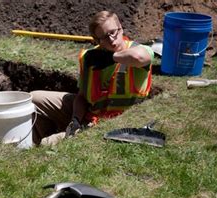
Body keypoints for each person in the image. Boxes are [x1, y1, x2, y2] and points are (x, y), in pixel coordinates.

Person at [31, 11, 154, 145]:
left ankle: (43, 146)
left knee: (46, 144)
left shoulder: (139, 49)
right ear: (97, 41)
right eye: (105, 37)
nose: (112, 39)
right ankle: (43, 137)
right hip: (90, 114)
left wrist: (111, 58)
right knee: (33, 99)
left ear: (121, 28)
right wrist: (75, 120)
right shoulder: (91, 58)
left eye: (113, 32)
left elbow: (139, 58)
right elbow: (82, 96)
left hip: (112, 122)